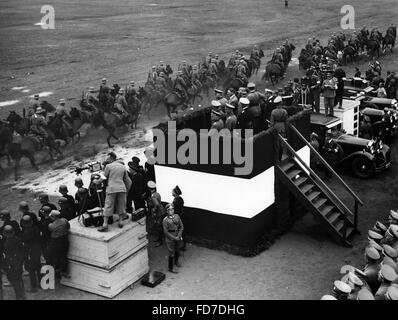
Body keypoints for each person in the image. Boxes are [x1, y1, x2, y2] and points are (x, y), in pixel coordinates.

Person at [98, 152, 131, 232]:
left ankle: (105, 224)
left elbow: (104, 177)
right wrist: (126, 190)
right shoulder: (123, 167)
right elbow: (128, 181)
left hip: (112, 188)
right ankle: (120, 222)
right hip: (122, 188)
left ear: (111, 158)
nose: (107, 160)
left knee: (108, 205)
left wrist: (97, 181)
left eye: (108, 158)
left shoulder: (108, 166)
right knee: (121, 205)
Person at [2, 225, 25, 300]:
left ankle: (19, 296)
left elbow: (8, 256)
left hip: (12, 264)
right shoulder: (18, 239)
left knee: (15, 281)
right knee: (20, 279)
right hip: (19, 261)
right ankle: (23, 294)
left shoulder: (7, 243)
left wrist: (7, 265)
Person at [20, 215, 42, 293]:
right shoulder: (36, 228)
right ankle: (41, 283)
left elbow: (26, 245)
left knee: (31, 270)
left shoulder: (26, 233)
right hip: (37, 250)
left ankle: (34, 287)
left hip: (30, 252)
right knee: (39, 267)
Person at [48, 210, 70, 279]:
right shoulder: (64, 221)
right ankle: (64, 271)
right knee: (63, 256)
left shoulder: (51, 225)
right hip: (65, 240)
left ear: (53, 217)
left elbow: (50, 230)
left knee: (55, 256)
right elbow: (68, 227)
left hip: (56, 242)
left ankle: (57, 270)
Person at [163, 203, 184, 274]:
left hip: (177, 235)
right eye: (169, 210)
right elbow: (166, 232)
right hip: (170, 238)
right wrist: (174, 238)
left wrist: (179, 235)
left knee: (178, 250)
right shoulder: (165, 220)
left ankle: (176, 261)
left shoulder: (177, 216)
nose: (171, 211)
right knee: (171, 253)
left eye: (172, 209)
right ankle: (170, 268)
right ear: (167, 211)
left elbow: (181, 227)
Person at [147, 181, 165, 246]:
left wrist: (154, 212)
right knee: (160, 226)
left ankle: (160, 241)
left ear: (150, 189)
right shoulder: (157, 193)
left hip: (158, 212)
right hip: (162, 211)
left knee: (158, 226)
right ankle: (160, 239)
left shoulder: (153, 196)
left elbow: (156, 204)